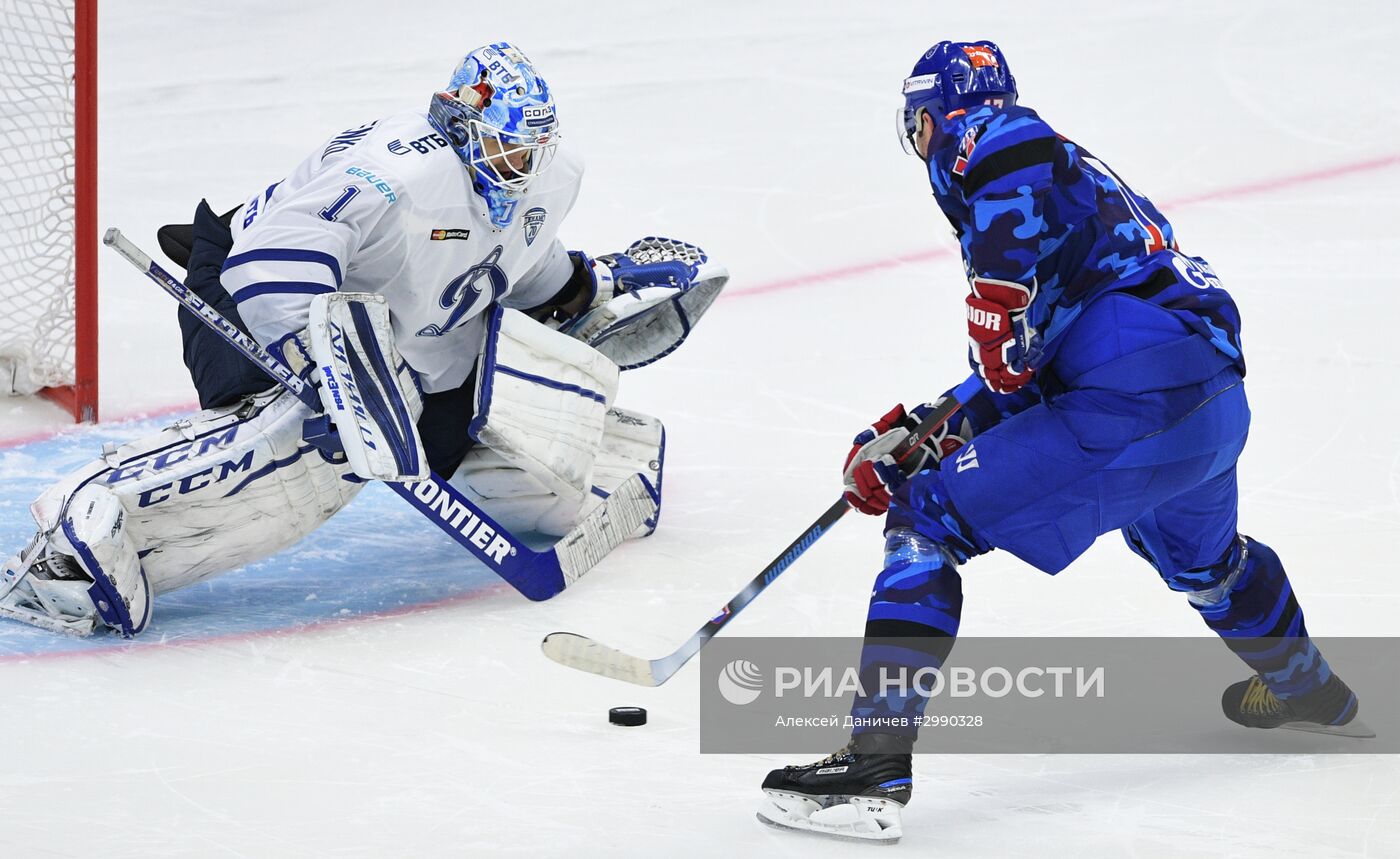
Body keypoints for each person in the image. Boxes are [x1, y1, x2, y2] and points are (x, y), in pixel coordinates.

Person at [756, 40, 1362, 845]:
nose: (926, 146)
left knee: (928, 521)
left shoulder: (1001, 147)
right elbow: (1026, 376)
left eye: (923, 128)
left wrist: (995, 299)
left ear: (937, 118)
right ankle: (1312, 691)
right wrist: (921, 435)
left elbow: (1010, 143)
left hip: (1134, 395)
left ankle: (874, 764)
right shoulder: (1080, 214)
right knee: (1207, 565)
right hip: (1209, 407)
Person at [0, 41, 721, 637]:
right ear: (461, 125)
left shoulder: (542, 178)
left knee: (445, 408)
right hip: (246, 290)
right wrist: (328, 367)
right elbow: (273, 259)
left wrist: (591, 288)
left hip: (386, 326)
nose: (521, 169)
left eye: (531, 151)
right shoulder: (397, 170)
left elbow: (513, 257)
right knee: (325, 441)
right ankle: (80, 537)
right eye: (506, 151)